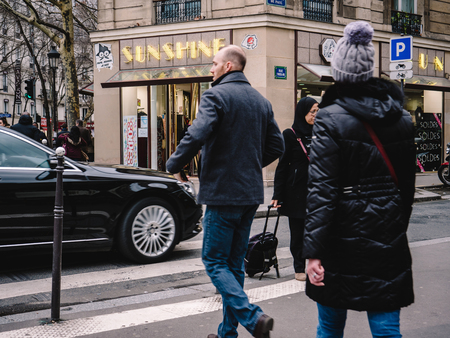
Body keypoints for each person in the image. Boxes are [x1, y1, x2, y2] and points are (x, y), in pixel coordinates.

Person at [303, 21, 416, 337]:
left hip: (339, 238)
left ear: (338, 70)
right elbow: (406, 187)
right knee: (386, 330)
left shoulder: (329, 116)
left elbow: (322, 189)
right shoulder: (402, 118)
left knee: (329, 327)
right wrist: (394, 224)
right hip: (386, 235)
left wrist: (313, 251)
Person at [166, 44, 284, 338]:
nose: (211, 69)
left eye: (215, 64)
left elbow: (197, 132)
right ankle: (226, 334)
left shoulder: (215, 96)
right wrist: (250, 165)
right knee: (233, 266)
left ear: (229, 66)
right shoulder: (261, 101)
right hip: (249, 194)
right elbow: (277, 146)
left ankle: (252, 317)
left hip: (222, 192)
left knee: (215, 261)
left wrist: (173, 163)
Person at [270, 97, 318, 282]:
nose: (315, 115)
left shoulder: (320, 132)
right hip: (296, 192)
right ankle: (299, 267)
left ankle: (315, 263)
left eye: (316, 111)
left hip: (317, 190)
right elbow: (282, 166)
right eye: (312, 111)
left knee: (315, 231)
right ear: (302, 112)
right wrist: (277, 194)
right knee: (297, 232)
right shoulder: (290, 134)